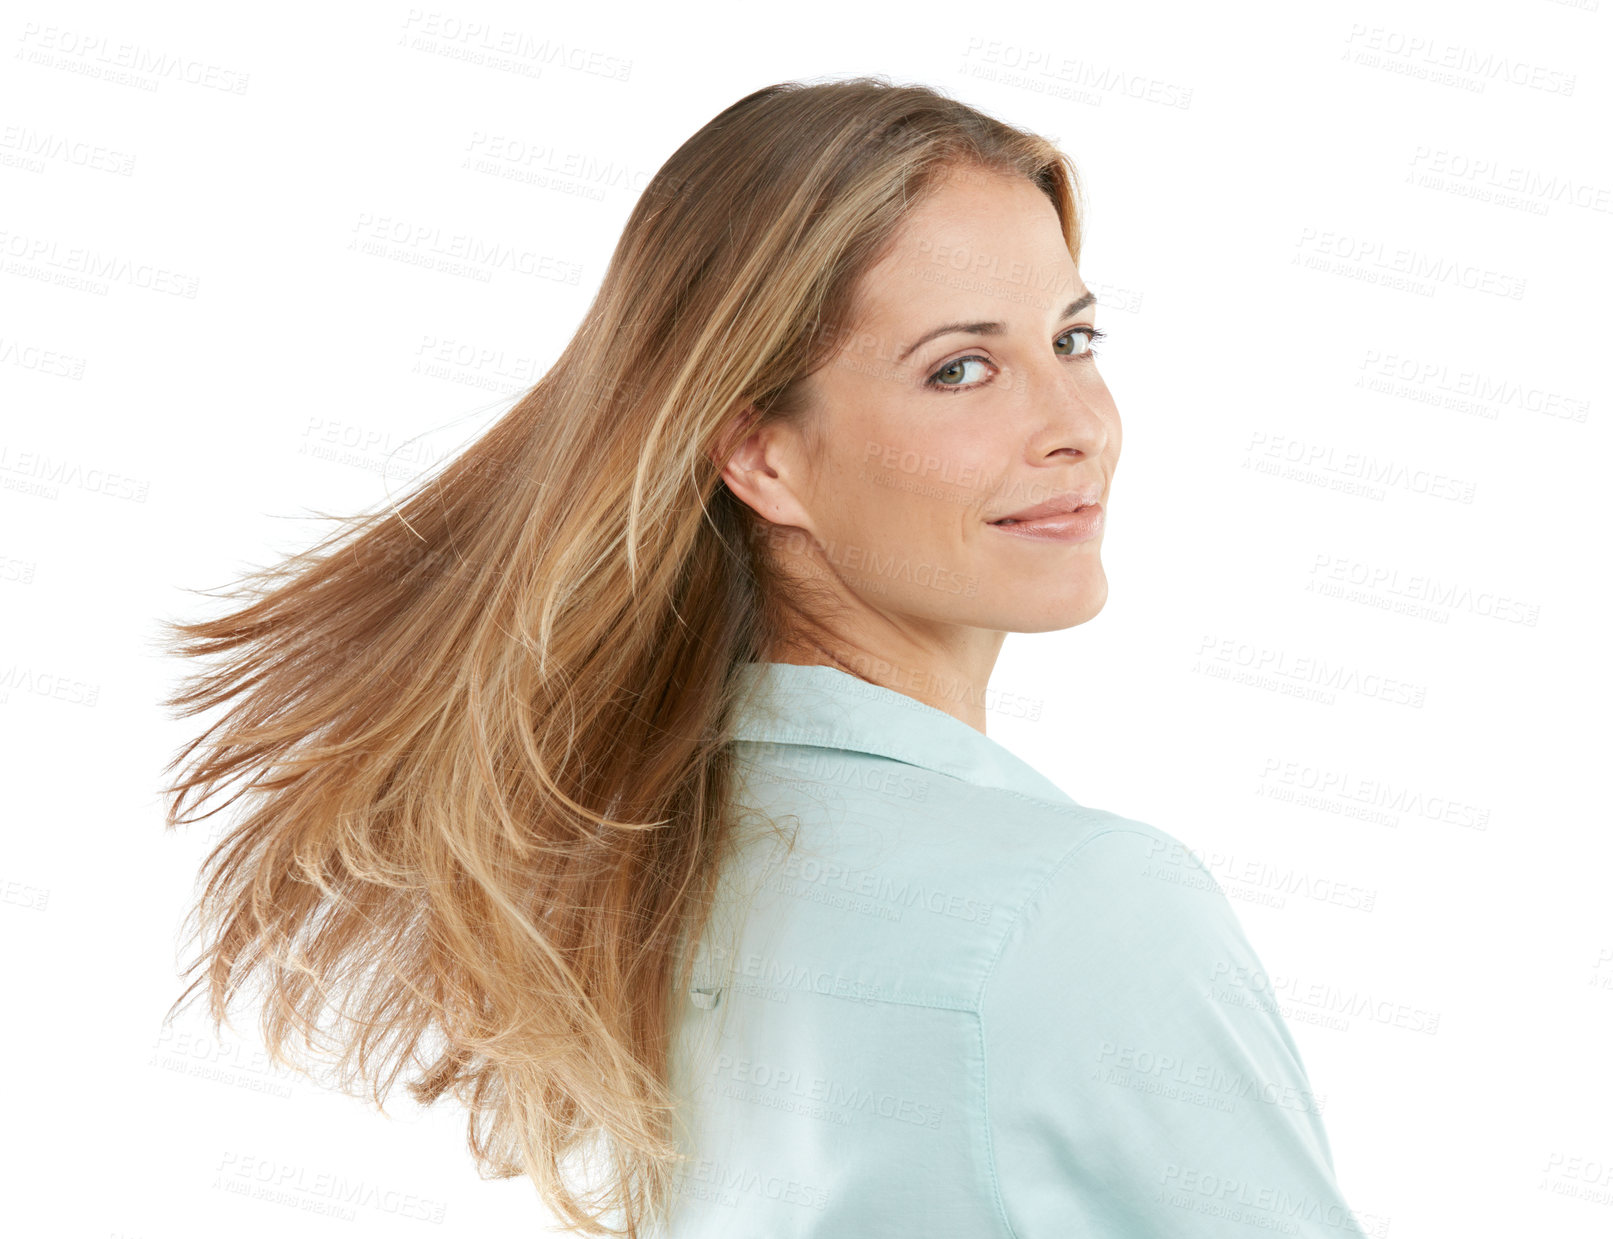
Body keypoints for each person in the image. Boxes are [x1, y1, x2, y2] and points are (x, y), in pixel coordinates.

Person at [158, 76, 1362, 1237]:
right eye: (960, 367)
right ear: (763, 459)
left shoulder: (634, 877)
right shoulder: (1084, 905)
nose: (1075, 426)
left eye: (1073, 337)